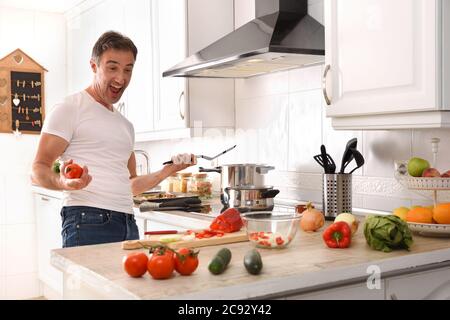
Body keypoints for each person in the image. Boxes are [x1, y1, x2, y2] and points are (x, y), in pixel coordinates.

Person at [31, 31, 196, 248]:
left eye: (128, 69)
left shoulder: (125, 125)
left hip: (127, 223)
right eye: (112, 67)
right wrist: (62, 183)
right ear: (93, 66)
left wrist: (168, 171)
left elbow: (129, 184)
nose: (121, 78)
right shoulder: (70, 108)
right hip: (87, 220)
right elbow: (38, 169)